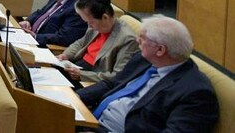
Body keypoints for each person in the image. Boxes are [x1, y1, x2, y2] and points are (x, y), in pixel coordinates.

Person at [78, 16, 219, 132]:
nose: (137, 40)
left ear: (160, 50)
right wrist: (74, 98)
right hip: (91, 119)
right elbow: (112, 83)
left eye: (143, 38)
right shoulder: (143, 59)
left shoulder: (196, 93)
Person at [57, 0, 139, 83]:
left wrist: (82, 75)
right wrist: (66, 55)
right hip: (78, 66)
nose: (89, 26)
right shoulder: (97, 25)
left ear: (105, 17)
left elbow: (118, 75)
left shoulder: (127, 39)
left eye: (91, 22)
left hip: (92, 77)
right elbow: (80, 43)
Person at [20, 0, 87, 47]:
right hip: (29, 37)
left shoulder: (77, 9)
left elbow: (64, 37)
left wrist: (35, 37)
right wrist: (28, 21)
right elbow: (41, 12)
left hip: (43, 46)